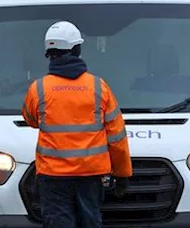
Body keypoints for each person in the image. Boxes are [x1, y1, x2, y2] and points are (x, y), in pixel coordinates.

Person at [22, 21, 132, 228]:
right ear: (77, 49)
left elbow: (31, 120)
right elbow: (117, 137)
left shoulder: (38, 89)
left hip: (52, 177)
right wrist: (123, 173)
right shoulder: (99, 87)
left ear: (48, 53)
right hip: (91, 176)